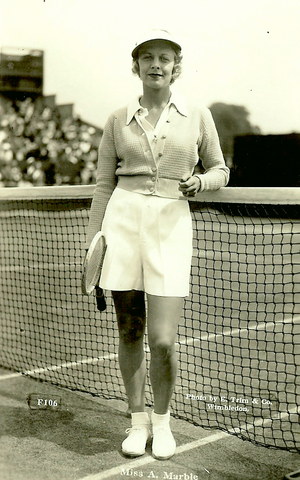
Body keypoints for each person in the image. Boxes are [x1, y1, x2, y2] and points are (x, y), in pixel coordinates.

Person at [86, 29, 230, 460]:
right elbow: (102, 185)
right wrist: (96, 241)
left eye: (164, 58)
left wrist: (202, 181)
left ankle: (163, 424)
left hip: (171, 222)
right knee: (129, 328)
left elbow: (221, 168)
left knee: (163, 338)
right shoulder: (117, 118)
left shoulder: (198, 115)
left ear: (176, 67)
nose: (156, 64)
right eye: (147, 57)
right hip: (122, 221)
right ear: (136, 66)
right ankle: (137, 422)